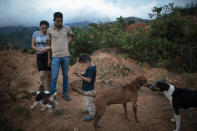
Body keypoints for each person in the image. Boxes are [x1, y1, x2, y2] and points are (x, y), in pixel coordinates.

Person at [47, 12, 75, 101]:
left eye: (61, 21)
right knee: (54, 76)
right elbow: (48, 45)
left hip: (66, 56)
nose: (60, 23)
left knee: (65, 76)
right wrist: (49, 58)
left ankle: (65, 93)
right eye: (58, 21)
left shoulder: (66, 28)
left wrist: (67, 43)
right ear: (53, 20)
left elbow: (73, 36)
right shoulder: (49, 30)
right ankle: (52, 95)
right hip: (55, 57)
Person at [75, 54, 97, 122]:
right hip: (89, 88)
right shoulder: (92, 67)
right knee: (89, 101)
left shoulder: (90, 69)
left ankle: (91, 115)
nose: (82, 66)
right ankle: (89, 109)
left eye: (83, 64)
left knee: (89, 102)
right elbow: (87, 75)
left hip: (88, 89)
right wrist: (81, 75)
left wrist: (80, 76)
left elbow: (88, 80)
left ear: (87, 62)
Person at [32, 20, 51, 90]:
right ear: (40, 27)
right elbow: (32, 45)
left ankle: (49, 90)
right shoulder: (35, 33)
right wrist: (39, 50)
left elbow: (49, 47)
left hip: (47, 55)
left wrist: (49, 59)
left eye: (45, 28)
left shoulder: (49, 35)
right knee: (42, 75)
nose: (44, 29)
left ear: (48, 28)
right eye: (42, 28)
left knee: (49, 74)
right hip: (39, 56)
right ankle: (47, 91)